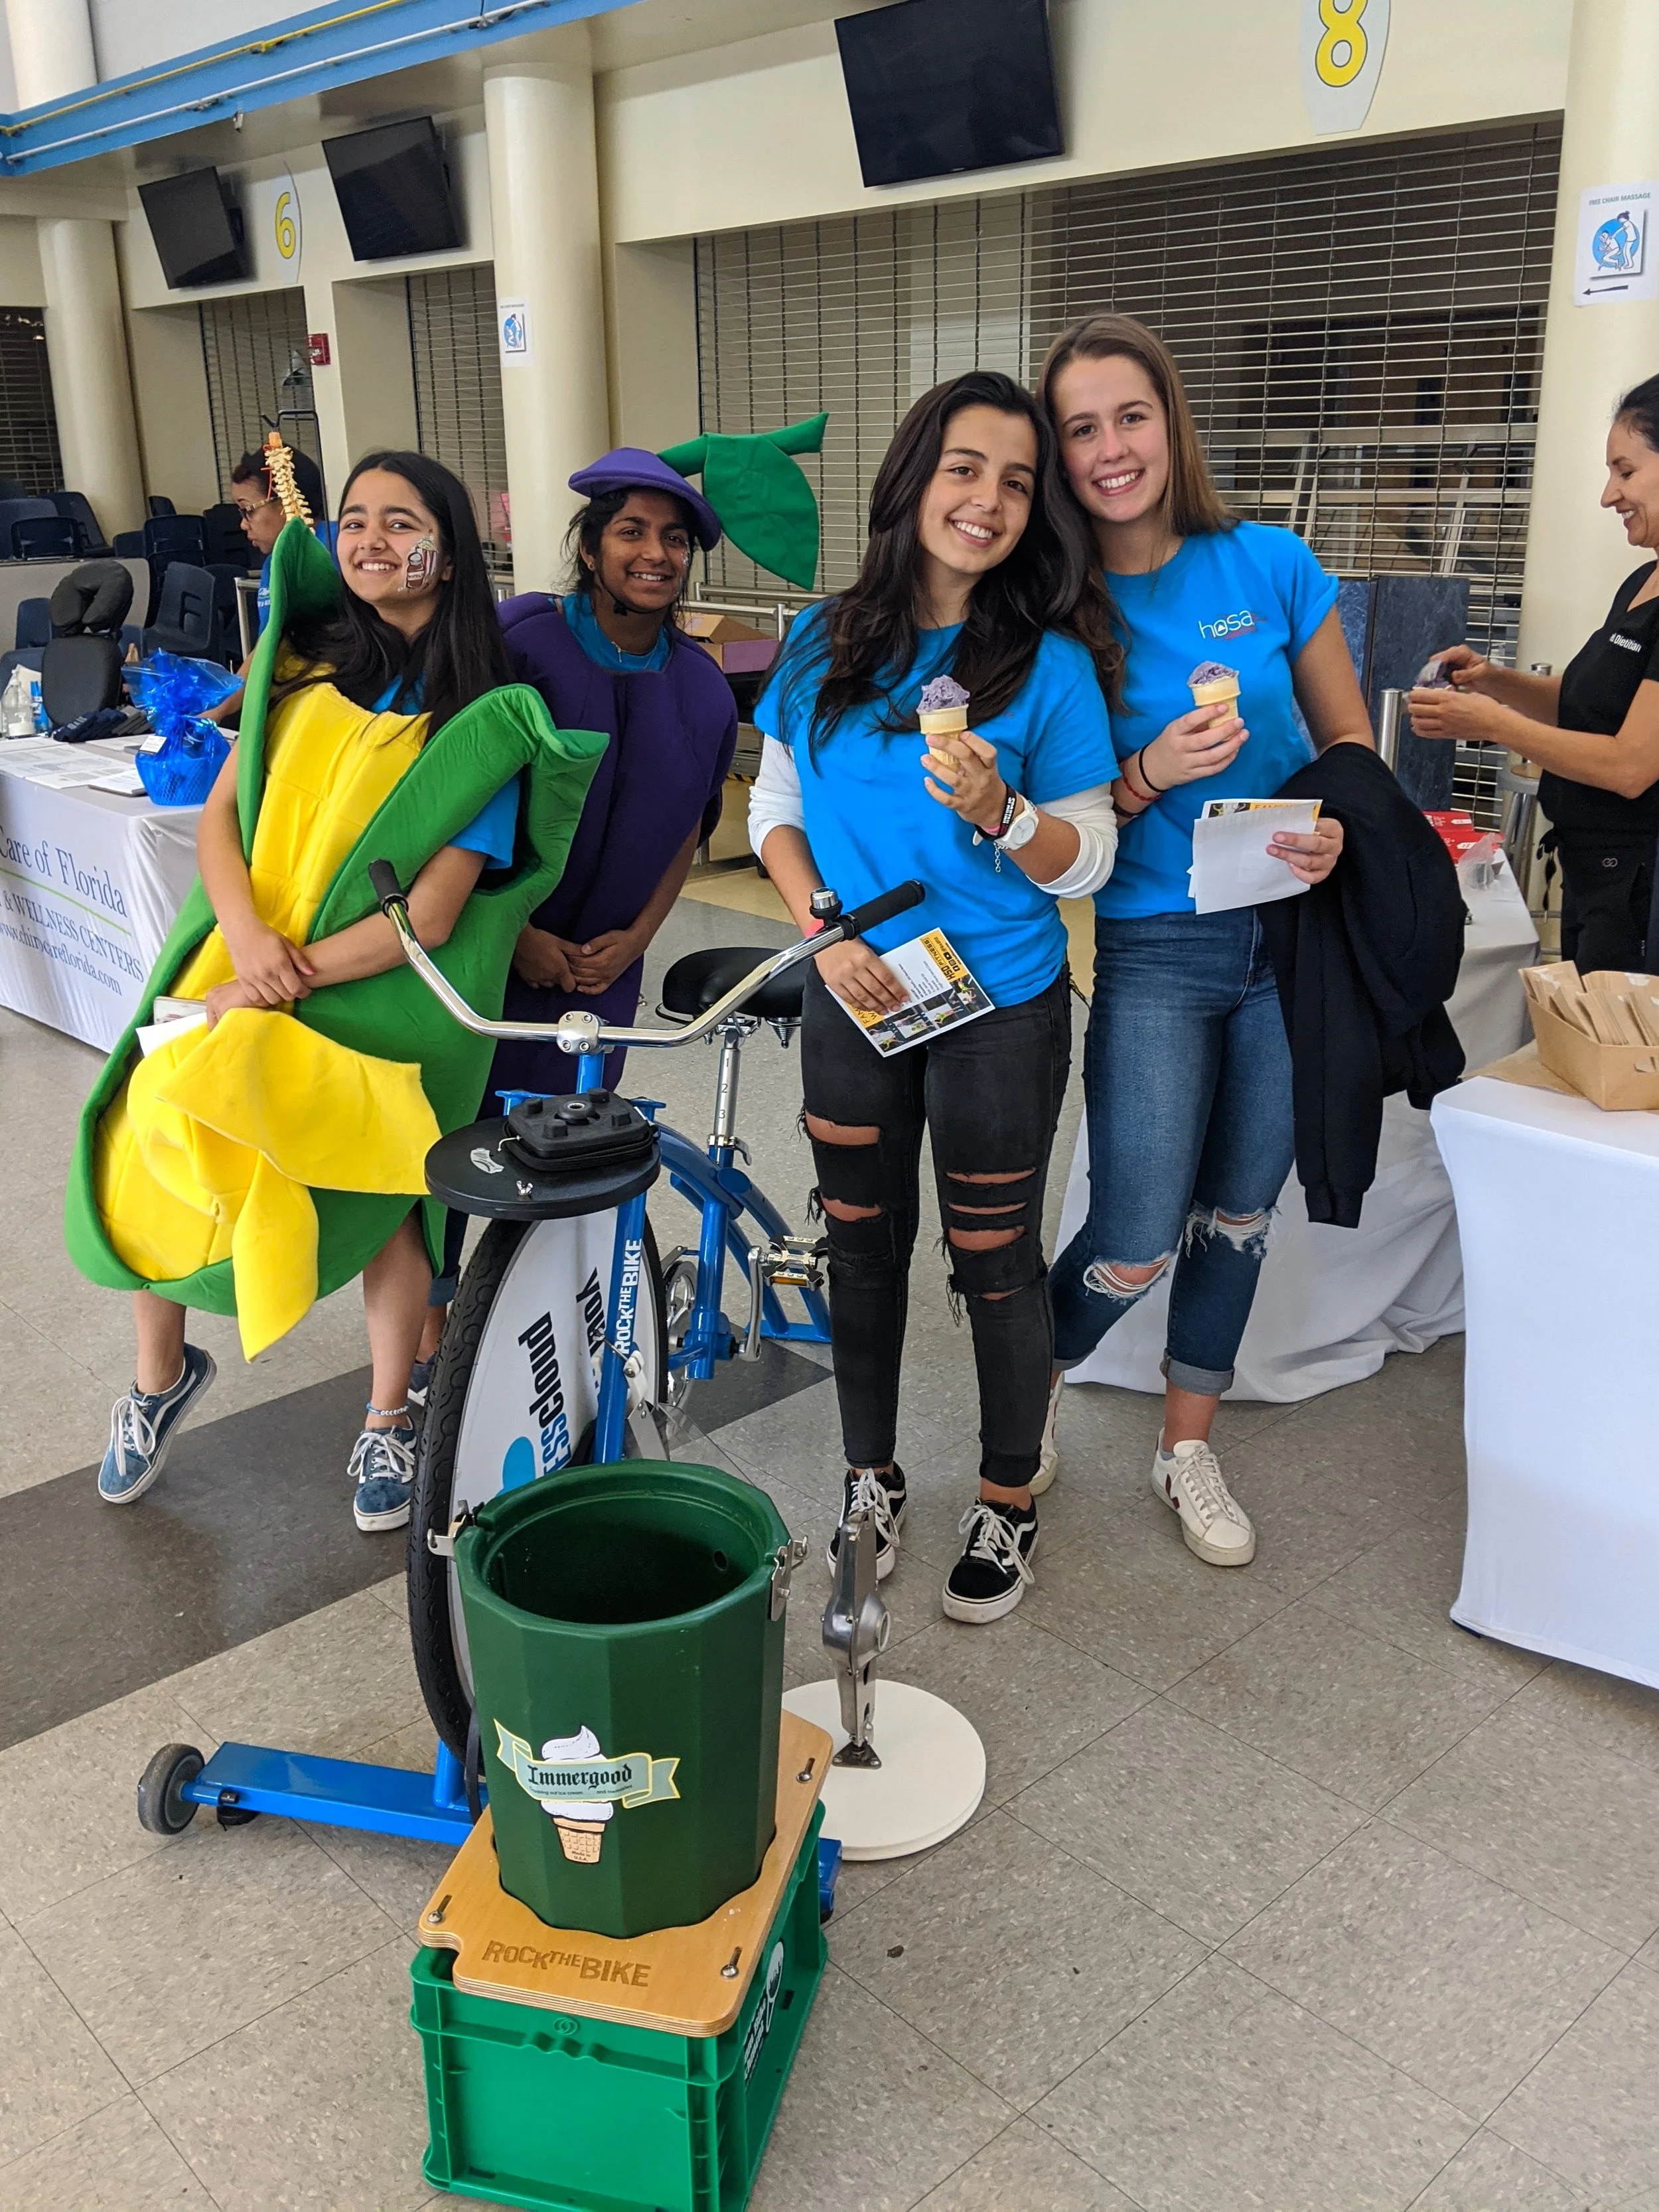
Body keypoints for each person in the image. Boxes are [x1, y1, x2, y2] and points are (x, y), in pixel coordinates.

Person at [65, 451, 604, 1534]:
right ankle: (158, 1377)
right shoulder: (301, 666)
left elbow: (439, 911)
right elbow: (222, 819)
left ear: (447, 548)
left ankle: (387, 1412)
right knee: (156, 1134)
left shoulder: (485, 717)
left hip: (368, 986)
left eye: (396, 520)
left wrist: (290, 975)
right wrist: (251, 943)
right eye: (353, 519)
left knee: (380, 1201)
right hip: (240, 959)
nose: (367, 539)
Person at [749, 368, 1120, 1625]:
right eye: (966, 467)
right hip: (858, 986)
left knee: (992, 1257)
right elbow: (776, 810)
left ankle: (1009, 1495)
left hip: (1001, 1003)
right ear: (914, 478)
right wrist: (820, 929)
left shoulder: (1049, 668)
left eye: (1018, 480)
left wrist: (1002, 813)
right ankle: (872, 1477)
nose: (990, 499)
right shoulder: (821, 640)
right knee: (860, 1247)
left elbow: (1092, 854)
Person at [1040, 314, 1366, 1569]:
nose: (1112, 448)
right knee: (1131, 1231)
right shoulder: (1059, 609)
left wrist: (1340, 826)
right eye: (1081, 429)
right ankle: (1035, 1400)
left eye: (1131, 415)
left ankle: (1186, 1444)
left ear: (1171, 420)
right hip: (1157, 949)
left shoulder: (1271, 563)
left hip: (1293, 937)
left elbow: (1348, 752)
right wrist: (1140, 772)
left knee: (1237, 1214)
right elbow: (1057, 807)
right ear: (1060, 457)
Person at [488, 449, 739, 1097]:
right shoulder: (521, 642)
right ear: (592, 550)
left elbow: (688, 827)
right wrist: (512, 932)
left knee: (573, 1149)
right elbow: (455, 802)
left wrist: (637, 940)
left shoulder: (701, 689)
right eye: (632, 531)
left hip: (605, 972)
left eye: (674, 538)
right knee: (458, 1151)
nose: (655, 552)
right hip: (486, 953)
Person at [1407, 372, 1659, 972]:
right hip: (1594, 876)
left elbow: (1630, 767)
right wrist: (1493, 681)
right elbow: (1586, 702)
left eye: (1625, 472)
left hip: (1641, 888)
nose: (1608, 496)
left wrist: (1492, 723)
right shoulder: (1640, 583)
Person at [229, 445, 335, 636]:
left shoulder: (344, 546)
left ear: (288, 501)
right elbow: (269, 645)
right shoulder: (276, 561)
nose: (243, 525)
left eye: (248, 510)